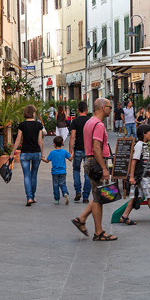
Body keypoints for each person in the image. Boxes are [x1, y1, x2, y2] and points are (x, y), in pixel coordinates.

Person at [71, 98, 118, 241]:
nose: (111, 110)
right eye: (109, 107)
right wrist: (104, 168)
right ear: (103, 108)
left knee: (99, 194)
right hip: (96, 162)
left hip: (90, 160)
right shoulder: (98, 124)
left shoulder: (89, 122)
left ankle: (82, 219)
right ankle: (98, 232)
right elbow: (96, 147)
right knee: (99, 198)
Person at [10, 104, 45, 206]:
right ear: (33, 113)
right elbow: (40, 140)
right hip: (36, 152)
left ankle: (29, 197)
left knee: (26, 175)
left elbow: (18, 140)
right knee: (34, 175)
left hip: (25, 153)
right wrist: (42, 153)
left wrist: (12, 153)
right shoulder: (38, 125)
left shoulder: (22, 125)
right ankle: (32, 196)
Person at [69, 101, 91, 203]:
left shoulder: (75, 121)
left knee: (76, 170)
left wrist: (71, 149)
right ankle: (86, 196)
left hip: (78, 149)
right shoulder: (90, 121)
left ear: (78, 110)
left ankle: (78, 191)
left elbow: (72, 136)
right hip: (88, 150)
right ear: (87, 109)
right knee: (87, 173)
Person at [42, 136, 72, 205]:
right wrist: (72, 152)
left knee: (55, 185)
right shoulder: (64, 151)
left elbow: (47, 161)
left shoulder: (52, 152)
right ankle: (65, 193)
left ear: (54, 144)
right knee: (63, 184)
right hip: (63, 171)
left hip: (55, 172)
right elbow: (70, 158)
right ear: (62, 143)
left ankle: (56, 199)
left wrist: (41, 158)